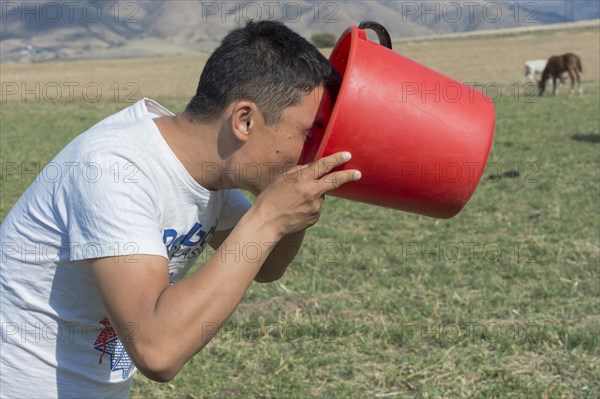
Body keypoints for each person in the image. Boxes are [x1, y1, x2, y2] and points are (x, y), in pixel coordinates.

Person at [0, 20, 361, 397]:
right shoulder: (113, 168)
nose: (313, 150)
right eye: (309, 134)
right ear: (245, 120)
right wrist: (268, 218)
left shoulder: (205, 166)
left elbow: (267, 265)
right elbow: (158, 351)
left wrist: (302, 195)